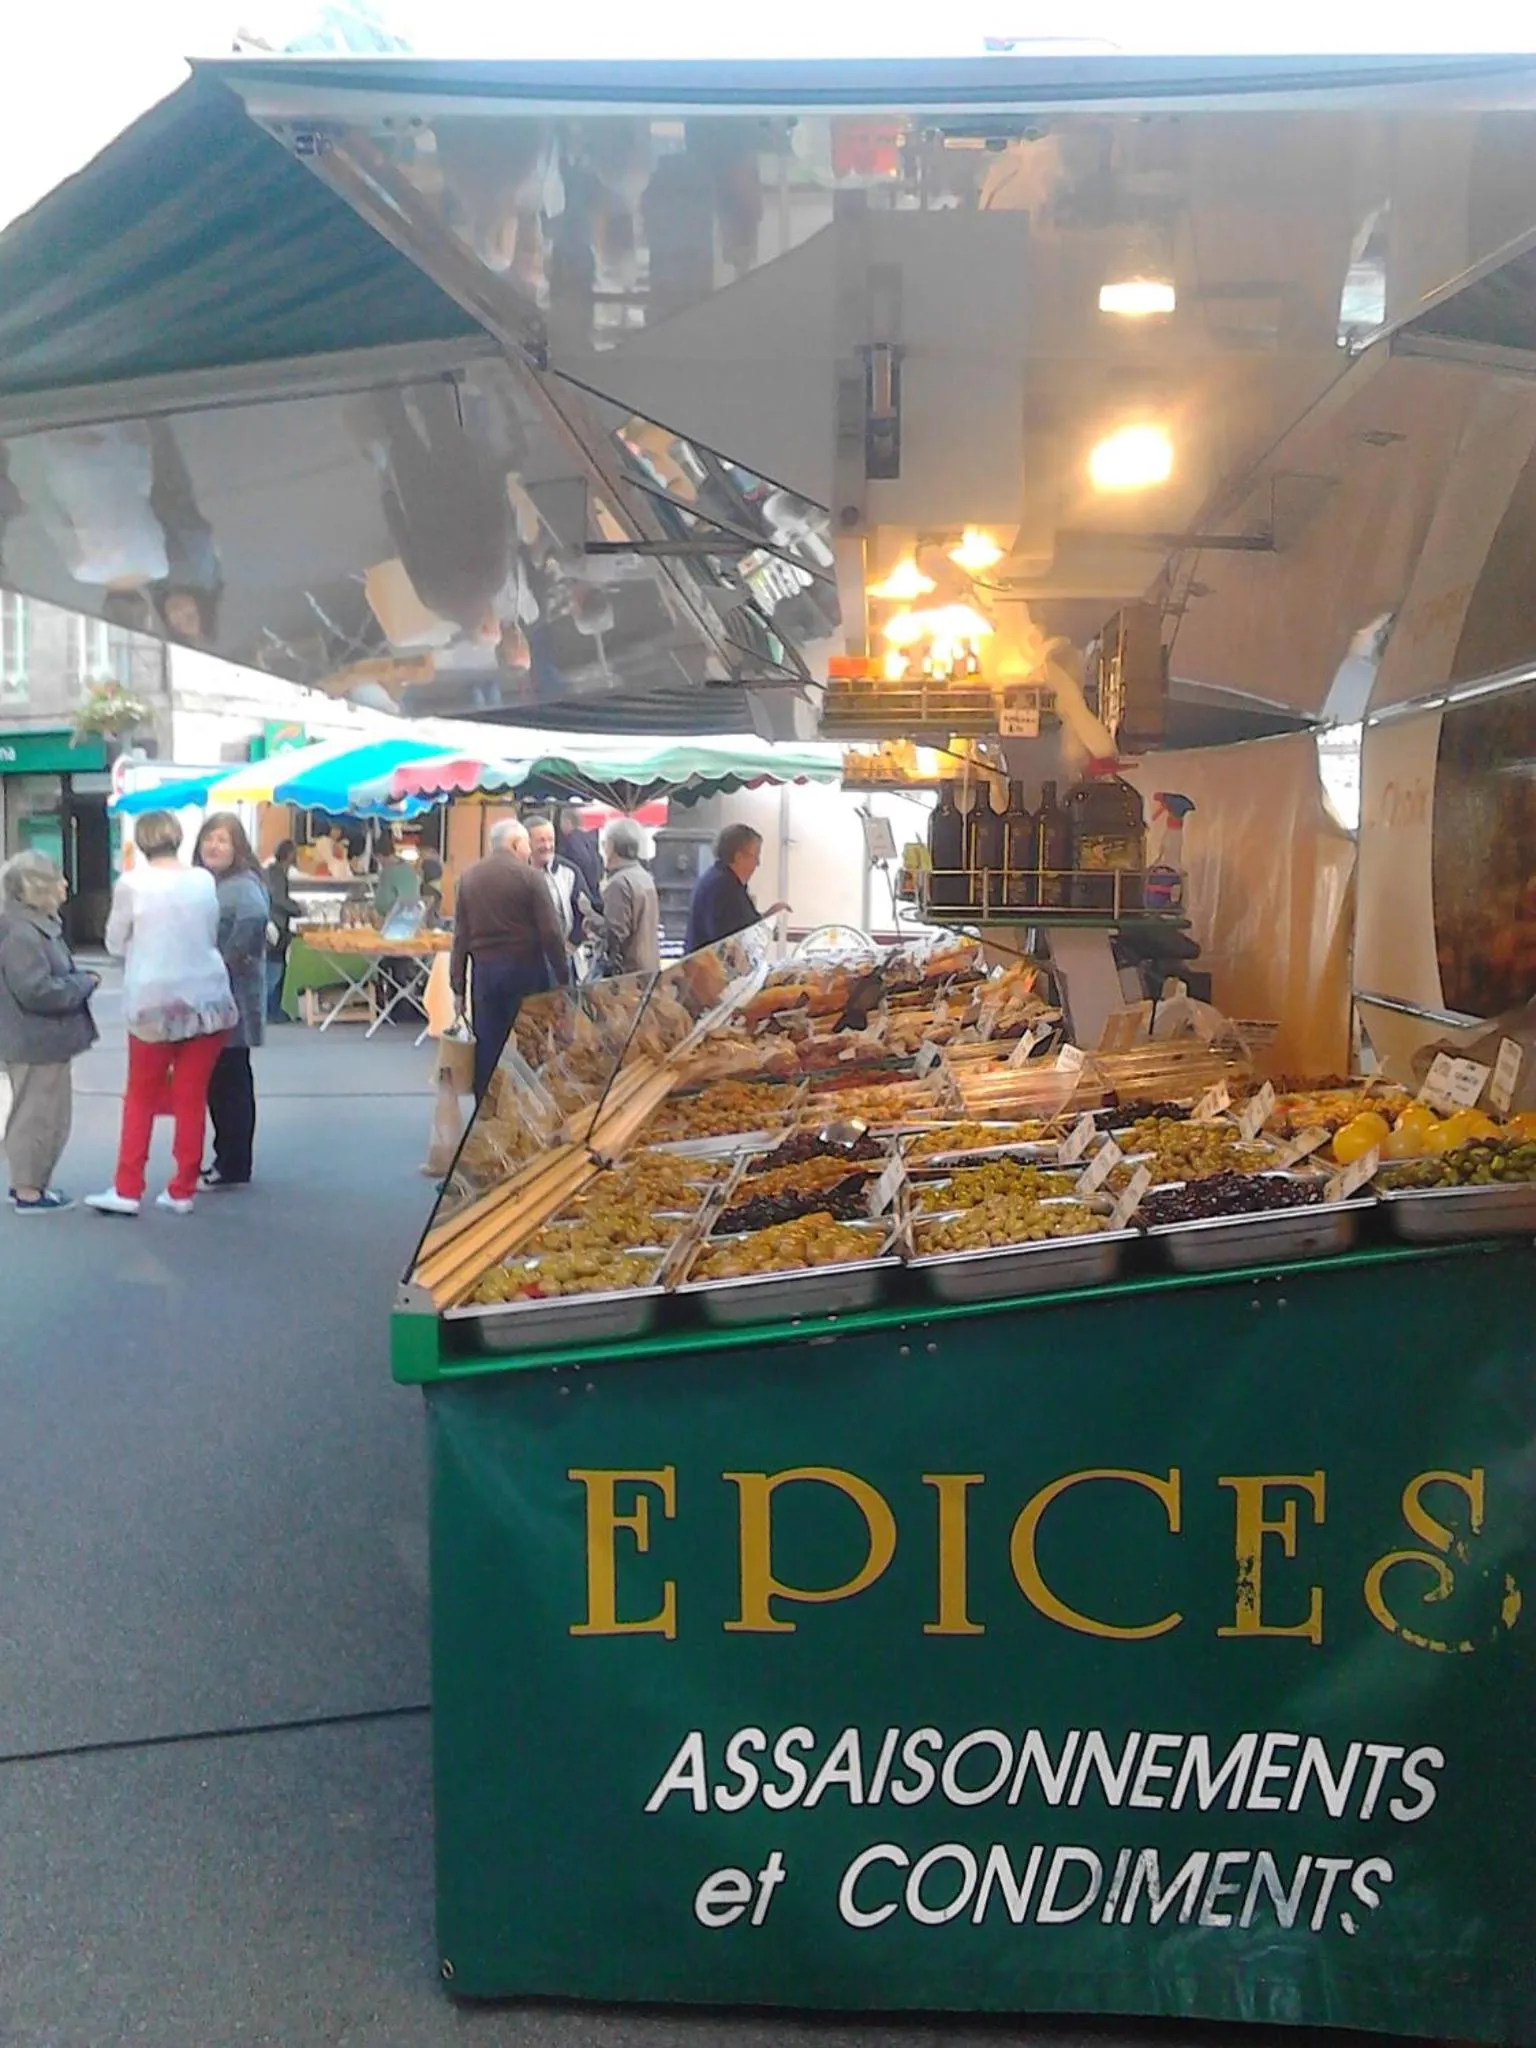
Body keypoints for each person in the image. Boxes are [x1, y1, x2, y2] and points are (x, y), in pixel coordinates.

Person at [87, 811, 237, 1217]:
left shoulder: (132, 884)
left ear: (141, 842)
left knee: (140, 1096)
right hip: (208, 999)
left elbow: (116, 943)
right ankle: (182, 1189)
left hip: (154, 1002)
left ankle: (127, 1188)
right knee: (191, 1097)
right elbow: (210, 929)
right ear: (177, 838)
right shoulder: (203, 880)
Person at [0, 851, 98, 1212]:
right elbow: (35, 989)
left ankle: (34, 1186)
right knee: (36, 1116)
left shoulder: (32, 925)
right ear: (37, 886)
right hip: (34, 1039)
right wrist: (82, 984)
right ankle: (28, 1190)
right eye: (58, 877)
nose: (65, 884)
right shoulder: (22, 932)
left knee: (48, 1115)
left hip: (43, 1039)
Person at [450, 818, 570, 1099]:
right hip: (526, 970)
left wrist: (457, 986)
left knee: (488, 1046)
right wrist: (563, 977)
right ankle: (524, 1105)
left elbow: (460, 937)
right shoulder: (530, 878)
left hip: (485, 974)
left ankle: (486, 1111)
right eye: (527, 845)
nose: (529, 852)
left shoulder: (469, 878)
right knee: (530, 1043)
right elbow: (551, 933)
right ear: (515, 844)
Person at [193, 814, 270, 1190]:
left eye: (223, 840)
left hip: (231, 998)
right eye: (209, 838)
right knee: (223, 1080)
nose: (214, 846)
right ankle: (228, 1158)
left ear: (237, 846)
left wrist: (226, 960)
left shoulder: (241, 885)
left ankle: (233, 1163)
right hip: (216, 998)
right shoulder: (210, 882)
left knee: (229, 1081)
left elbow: (255, 918)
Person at [684, 822, 790, 953]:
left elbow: (744, 926)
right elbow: (731, 940)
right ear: (739, 857)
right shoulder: (723, 887)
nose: (758, 863)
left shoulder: (723, 880)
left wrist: (768, 916)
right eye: (755, 856)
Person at [595, 818, 662, 978]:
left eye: (605, 844)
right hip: (649, 968)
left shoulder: (619, 883)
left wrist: (590, 919)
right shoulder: (643, 876)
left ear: (611, 846)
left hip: (628, 975)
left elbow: (614, 935)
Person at [527, 814, 595, 947]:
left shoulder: (569, 871)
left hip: (564, 952)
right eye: (541, 841)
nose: (547, 846)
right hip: (526, 956)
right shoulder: (516, 872)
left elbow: (585, 911)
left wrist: (572, 943)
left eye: (550, 840)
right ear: (527, 842)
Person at [264, 838, 302, 1022]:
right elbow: (279, 899)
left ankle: (273, 1009)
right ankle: (271, 1010)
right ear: (289, 855)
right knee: (275, 968)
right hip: (276, 927)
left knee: (275, 967)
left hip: (276, 926)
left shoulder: (272, 872)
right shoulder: (277, 874)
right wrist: (298, 909)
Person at [556, 805, 603, 903]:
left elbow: (580, 862)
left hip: (582, 894)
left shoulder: (572, 841)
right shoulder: (589, 839)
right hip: (595, 891)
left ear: (567, 822)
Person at [373, 832, 422, 922]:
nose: (380, 864)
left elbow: (382, 903)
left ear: (380, 856)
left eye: (378, 860)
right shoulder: (409, 869)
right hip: (413, 919)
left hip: (392, 921)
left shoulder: (387, 873)